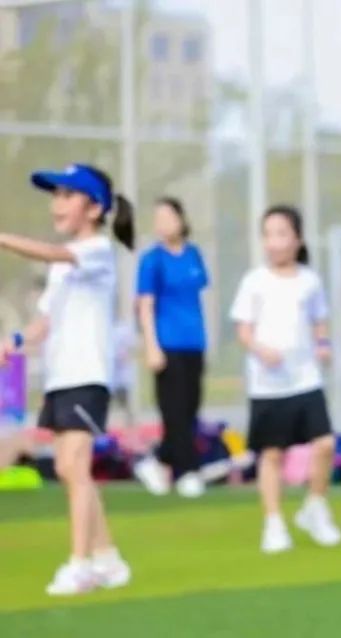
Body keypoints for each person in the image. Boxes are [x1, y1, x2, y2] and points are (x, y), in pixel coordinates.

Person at [0, 163, 134, 595]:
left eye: (67, 195)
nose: (57, 203)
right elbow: (45, 322)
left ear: (95, 209)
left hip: (88, 375)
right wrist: (15, 340)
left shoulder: (95, 249)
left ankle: (80, 565)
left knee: (73, 466)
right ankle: (108, 558)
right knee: (66, 467)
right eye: (55, 195)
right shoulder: (63, 265)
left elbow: (52, 253)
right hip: (62, 377)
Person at [230, 205, 341, 554]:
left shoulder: (310, 280)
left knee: (324, 443)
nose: (274, 242)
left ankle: (315, 507)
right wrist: (260, 349)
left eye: (281, 233)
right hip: (268, 384)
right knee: (272, 454)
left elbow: (319, 320)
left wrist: (323, 345)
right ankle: (274, 523)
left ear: (297, 239)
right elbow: (243, 331)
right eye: (268, 234)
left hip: (305, 378)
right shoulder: (254, 281)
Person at [132, 197, 209, 498]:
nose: (162, 223)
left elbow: (196, 294)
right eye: (157, 218)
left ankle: (157, 461)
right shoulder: (152, 260)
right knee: (173, 410)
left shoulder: (194, 255)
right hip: (167, 344)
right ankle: (187, 472)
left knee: (190, 409)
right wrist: (151, 346)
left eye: (168, 217)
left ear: (181, 219)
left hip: (194, 343)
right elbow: (145, 305)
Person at [111, 317, 137, 430]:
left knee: (126, 402)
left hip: (124, 375)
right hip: (111, 375)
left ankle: (130, 425)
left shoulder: (126, 328)